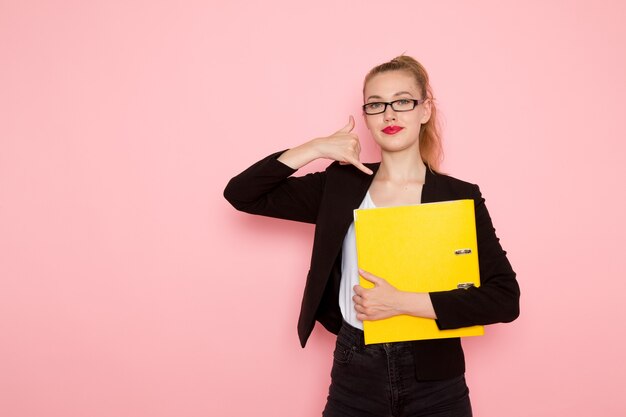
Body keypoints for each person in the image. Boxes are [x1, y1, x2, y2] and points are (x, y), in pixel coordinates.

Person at [223, 55, 520, 417]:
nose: (390, 115)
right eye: (376, 105)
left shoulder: (458, 196)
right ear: (366, 116)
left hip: (435, 375)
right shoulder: (340, 185)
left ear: (425, 110)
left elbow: (505, 298)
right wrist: (315, 148)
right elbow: (242, 194)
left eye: (403, 102)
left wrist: (401, 303)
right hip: (355, 368)